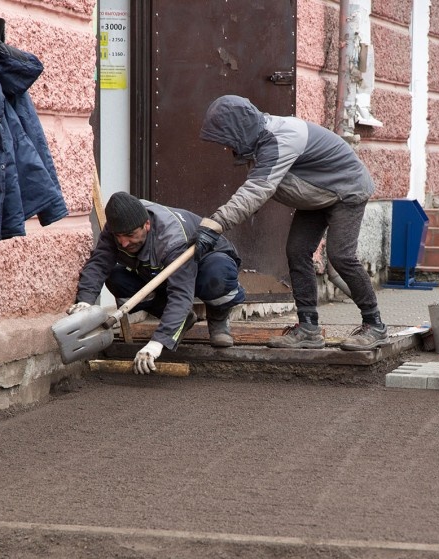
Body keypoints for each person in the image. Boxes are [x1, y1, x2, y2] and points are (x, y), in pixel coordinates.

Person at [196, 94, 387, 351]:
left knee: (341, 256)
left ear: (239, 130)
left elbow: (257, 190)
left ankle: (374, 325)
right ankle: (308, 328)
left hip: (346, 189)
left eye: (226, 138)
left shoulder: (278, 139)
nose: (226, 147)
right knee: (297, 251)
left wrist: (217, 223)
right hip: (319, 195)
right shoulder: (259, 140)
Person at [68, 193, 245, 374]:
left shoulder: (172, 239)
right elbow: (98, 265)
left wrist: (157, 342)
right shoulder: (116, 228)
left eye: (130, 235)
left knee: (217, 276)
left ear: (147, 225)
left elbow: (181, 294)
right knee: (117, 279)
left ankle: (218, 319)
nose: (124, 242)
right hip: (159, 270)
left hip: (205, 263)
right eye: (118, 236)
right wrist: (85, 302)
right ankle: (181, 319)